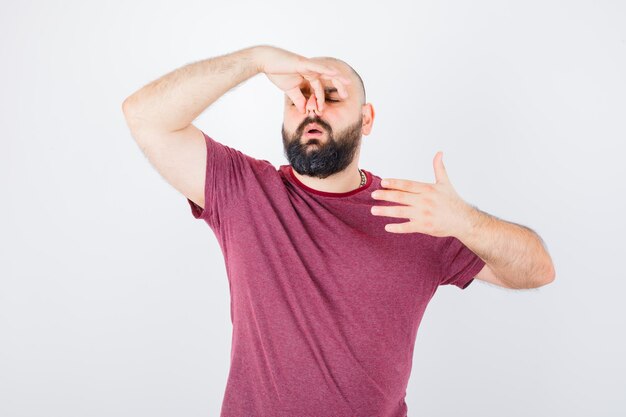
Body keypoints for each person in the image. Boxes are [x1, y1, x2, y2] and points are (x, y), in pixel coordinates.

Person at [122, 45, 555, 417]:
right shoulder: (245, 190)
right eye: (298, 98)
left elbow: (538, 269)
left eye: (331, 96)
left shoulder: (418, 213)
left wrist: (464, 220)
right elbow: (145, 116)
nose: (312, 107)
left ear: (366, 118)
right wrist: (255, 59)